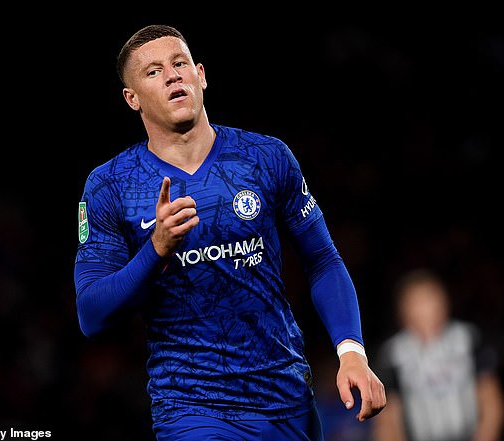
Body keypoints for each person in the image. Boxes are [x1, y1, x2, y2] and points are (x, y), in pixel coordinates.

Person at [74, 24, 386, 440]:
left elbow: (323, 260)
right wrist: (156, 249)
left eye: (179, 63)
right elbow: (91, 315)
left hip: (287, 399)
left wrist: (351, 352)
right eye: (153, 71)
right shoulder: (110, 185)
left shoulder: (265, 157)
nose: (172, 75)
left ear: (200, 75)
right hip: (191, 407)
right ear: (132, 99)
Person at [371, 268, 504, 441]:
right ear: (402, 309)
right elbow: (387, 418)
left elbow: (490, 398)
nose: (425, 309)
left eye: (430, 299)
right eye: (417, 302)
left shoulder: (468, 338)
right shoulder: (393, 354)